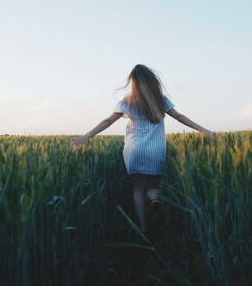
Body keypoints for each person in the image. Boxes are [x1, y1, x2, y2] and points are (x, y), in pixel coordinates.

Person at [71, 64, 216, 233]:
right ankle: (154, 200)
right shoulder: (162, 100)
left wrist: (86, 137)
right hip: (156, 150)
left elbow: (107, 121)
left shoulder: (127, 102)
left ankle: (143, 227)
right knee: (153, 185)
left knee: (138, 188)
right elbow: (179, 117)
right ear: (152, 81)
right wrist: (203, 130)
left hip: (134, 151)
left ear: (133, 83)